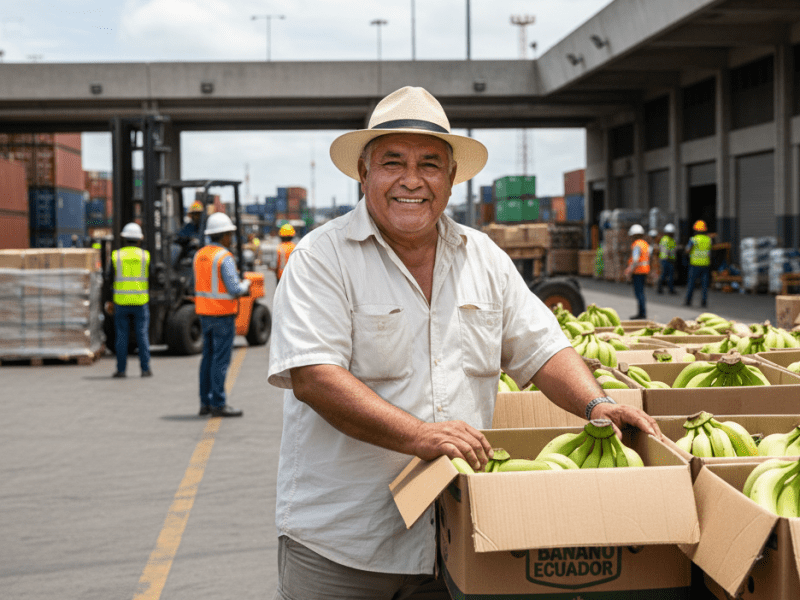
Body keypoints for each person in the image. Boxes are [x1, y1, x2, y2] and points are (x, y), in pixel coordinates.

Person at [266, 86, 661, 599]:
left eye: (430, 164)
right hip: (344, 547)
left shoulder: (484, 257)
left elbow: (542, 347)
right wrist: (418, 435)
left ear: (451, 179)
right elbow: (314, 377)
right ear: (363, 174)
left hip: (453, 540)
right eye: (393, 162)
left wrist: (598, 403)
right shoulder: (322, 258)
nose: (412, 180)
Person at [194, 212, 251, 417]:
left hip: (204, 314)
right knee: (220, 361)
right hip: (223, 315)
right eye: (230, 234)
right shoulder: (224, 257)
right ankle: (218, 403)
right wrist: (247, 284)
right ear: (225, 235)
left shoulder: (199, 255)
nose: (232, 238)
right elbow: (235, 289)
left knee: (207, 359)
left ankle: (204, 403)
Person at [105, 222, 152, 378]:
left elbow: (108, 279)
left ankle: (121, 370)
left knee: (122, 337)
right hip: (140, 302)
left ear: (123, 239)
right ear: (139, 240)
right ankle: (145, 369)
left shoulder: (116, 256)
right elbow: (151, 276)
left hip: (121, 302)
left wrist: (108, 301)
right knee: (142, 336)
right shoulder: (145, 256)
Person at [624, 224, 650, 320]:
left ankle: (641, 313)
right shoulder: (645, 244)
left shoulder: (636, 245)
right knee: (642, 292)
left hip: (638, 272)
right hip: (645, 271)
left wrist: (629, 271)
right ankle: (642, 312)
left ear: (634, 235)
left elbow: (635, 260)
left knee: (639, 293)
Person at [684, 220, 712, 308]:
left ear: (696, 230)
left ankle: (688, 300)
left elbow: (687, 250)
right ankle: (704, 302)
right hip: (705, 264)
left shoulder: (693, 239)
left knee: (691, 284)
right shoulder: (708, 239)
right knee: (704, 285)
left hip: (695, 264)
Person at [657, 223, 677, 295]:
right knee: (665, 275)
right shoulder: (666, 240)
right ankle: (661, 288)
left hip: (669, 259)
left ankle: (669, 289)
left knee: (669, 275)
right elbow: (667, 251)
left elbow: (673, 249)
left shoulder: (671, 240)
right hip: (666, 259)